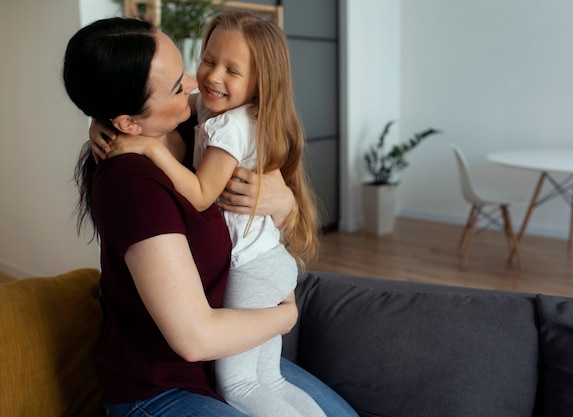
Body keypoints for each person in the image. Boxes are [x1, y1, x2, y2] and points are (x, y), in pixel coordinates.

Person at [63, 17, 357, 417]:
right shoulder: (134, 183)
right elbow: (194, 339)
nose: (194, 81)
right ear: (129, 122)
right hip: (162, 386)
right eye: (177, 83)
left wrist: (284, 203)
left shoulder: (199, 122)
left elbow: (268, 228)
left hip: (227, 353)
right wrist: (285, 315)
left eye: (186, 65)